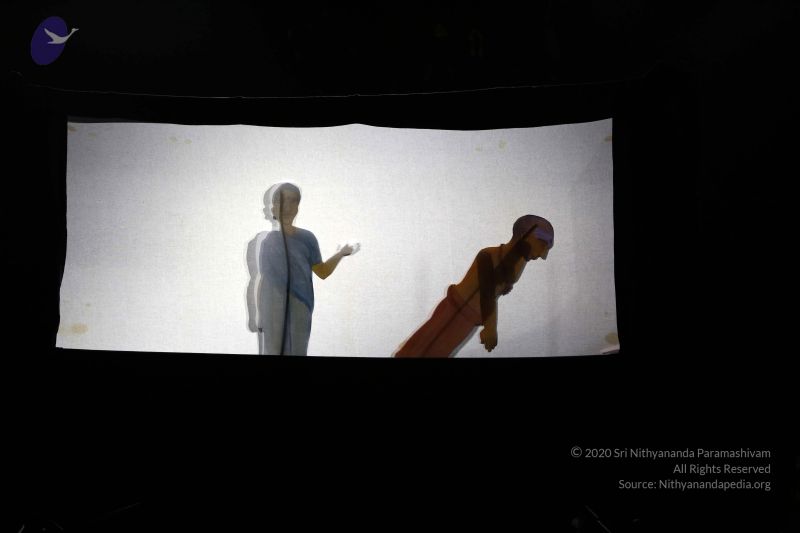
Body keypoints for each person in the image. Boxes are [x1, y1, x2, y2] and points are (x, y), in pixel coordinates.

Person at [394, 215, 554, 357]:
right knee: (422, 349)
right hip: (453, 313)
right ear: (525, 235)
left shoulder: (516, 265)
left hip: (468, 320)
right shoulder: (488, 255)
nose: (542, 255)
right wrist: (490, 328)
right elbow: (487, 293)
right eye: (541, 244)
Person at [253, 183, 359, 355]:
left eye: (293, 201)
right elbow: (263, 278)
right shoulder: (267, 241)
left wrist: (341, 254)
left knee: (298, 350)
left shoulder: (307, 238)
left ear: (298, 206)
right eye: (283, 201)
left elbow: (322, 272)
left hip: (301, 303)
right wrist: (259, 314)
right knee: (272, 350)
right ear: (274, 207)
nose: (288, 207)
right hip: (272, 303)